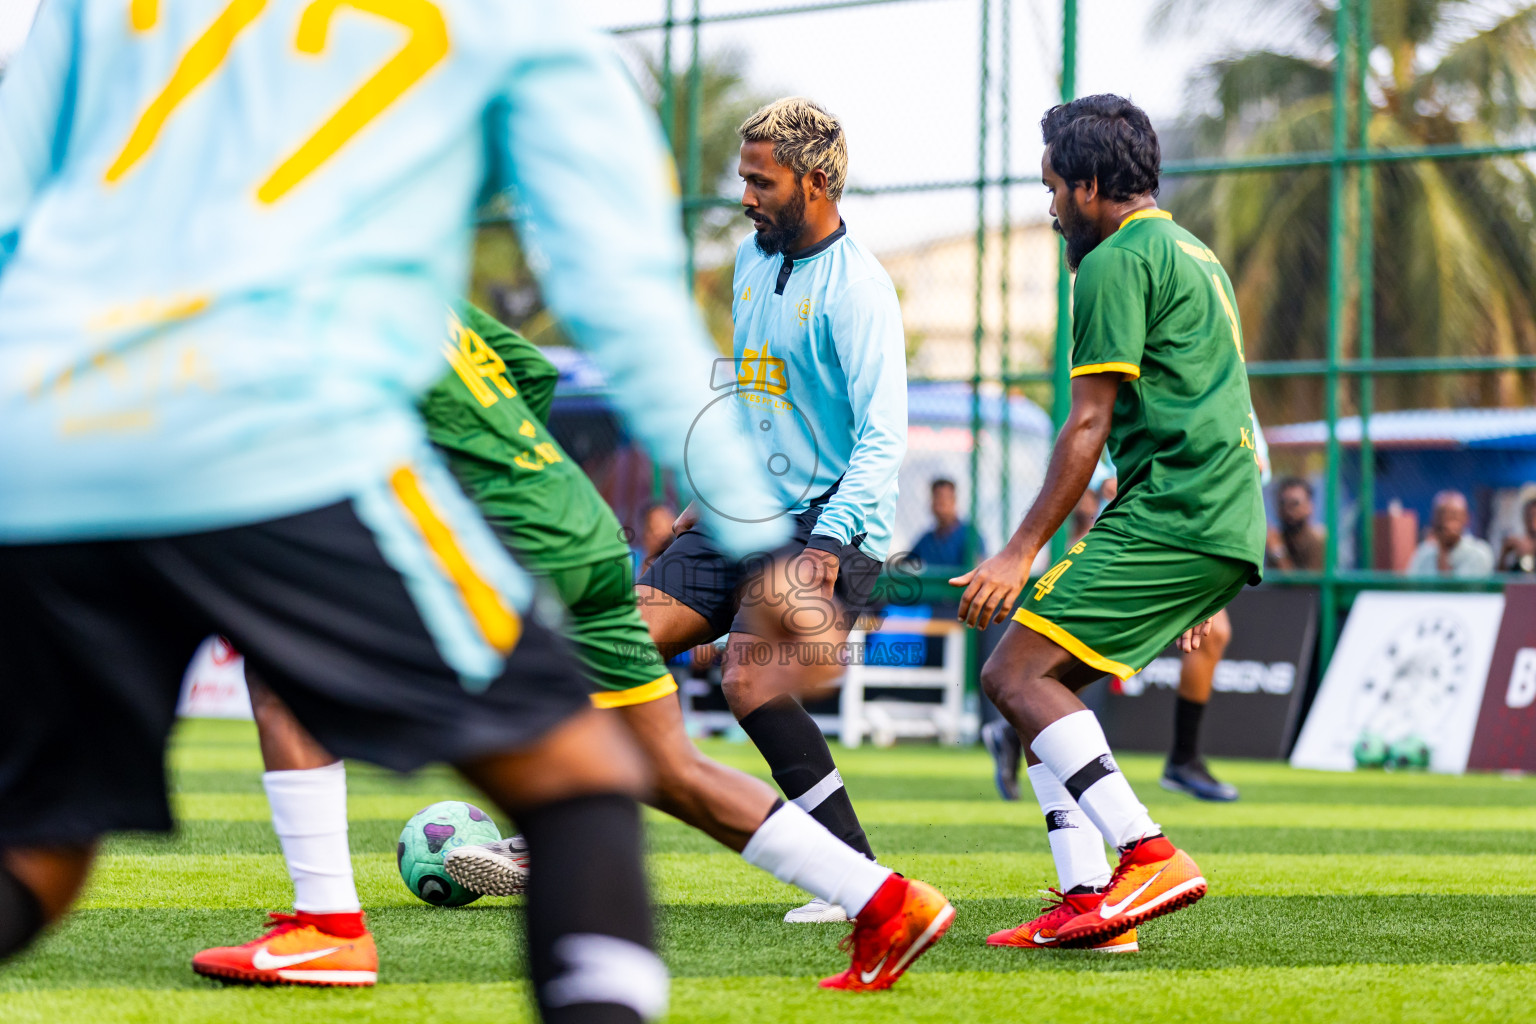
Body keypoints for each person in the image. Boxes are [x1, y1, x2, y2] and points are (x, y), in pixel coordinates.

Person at [0, 6, 796, 1021]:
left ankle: (326, 923)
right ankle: (334, 926)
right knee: (582, 772)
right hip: (276, 430)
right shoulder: (512, 24)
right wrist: (760, 535)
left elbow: (11, 199)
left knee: (37, 851)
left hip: (35, 434)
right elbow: (619, 290)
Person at [195, 307, 949, 992]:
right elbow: (529, 369)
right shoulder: (415, 293)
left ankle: (331, 928)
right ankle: (888, 901)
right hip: (572, 521)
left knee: (280, 664)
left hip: (504, 537)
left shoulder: (304, 305)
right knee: (666, 767)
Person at [951, 95, 1265, 954]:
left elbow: (1086, 423)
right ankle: (1094, 904)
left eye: (1053, 189)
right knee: (1039, 686)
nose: (1050, 209)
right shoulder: (1191, 251)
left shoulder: (1116, 261)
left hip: (1175, 511)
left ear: (1090, 185)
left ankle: (1146, 853)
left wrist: (1020, 551)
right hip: (1205, 514)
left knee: (1014, 673)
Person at [636, 97, 924, 957]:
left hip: (833, 525)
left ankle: (856, 876)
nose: (748, 198)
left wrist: (830, 548)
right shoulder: (751, 266)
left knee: (749, 681)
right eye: (744, 180)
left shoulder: (861, 290)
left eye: (761, 182)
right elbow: (746, 396)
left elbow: (884, 437)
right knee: (612, 639)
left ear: (818, 180)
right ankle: (562, 823)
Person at [1406, 490, 1495, 576]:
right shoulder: (1423, 553)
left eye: (1453, 516)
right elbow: (1410, 586)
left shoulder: (1479, 553)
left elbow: (1456, 589)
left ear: (1466, 518)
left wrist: (1443, 549)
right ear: (1433, 519)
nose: (1446, 522)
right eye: (1441, 515)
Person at [911, 478, 984, 569]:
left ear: (954, 501)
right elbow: (903, 564)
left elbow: (977, 567)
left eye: (944, 499)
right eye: (936, 498)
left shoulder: (969, 535)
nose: (940, 504)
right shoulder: (927, 540)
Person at [1266, 477, 1325, 570]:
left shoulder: (1319, 541)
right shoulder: (1278, 539)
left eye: (1295, 503)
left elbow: (1303, 583)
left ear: (1309, 506)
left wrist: (1278, 552)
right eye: (1283, 503)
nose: (1288, 510)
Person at [1498, 496, 1536, 573]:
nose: (1532, 521)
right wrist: (1504, 554)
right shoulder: (1518, 546)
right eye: (1529, 516)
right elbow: (1500, 579)